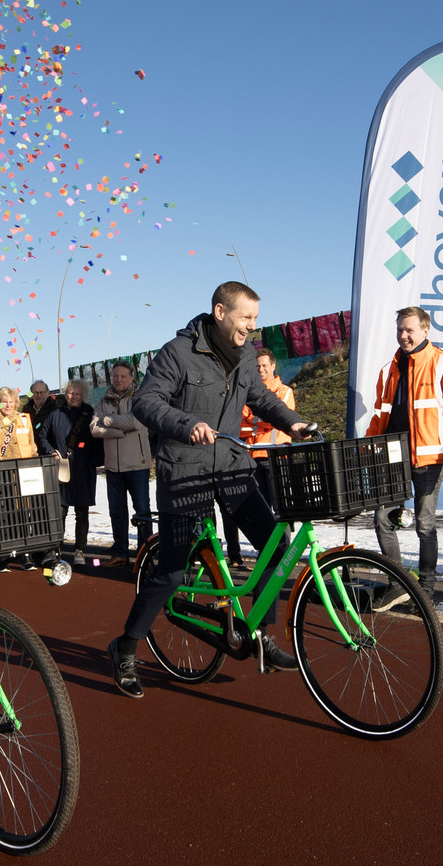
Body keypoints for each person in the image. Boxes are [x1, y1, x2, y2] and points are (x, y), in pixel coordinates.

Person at [107, 282, 310, 698]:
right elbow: (146, 402)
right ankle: (125, 646)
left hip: (232, 468)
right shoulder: (178, 352)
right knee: (172, 572)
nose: (252, 327)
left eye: (255, 319)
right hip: (184, 472)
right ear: (220, 312)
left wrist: (293, 422)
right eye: (245, 318)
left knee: (276, 543)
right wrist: (186, 425)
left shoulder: (247, 355)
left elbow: (260, 398)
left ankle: (261, 636)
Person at [366, 306, 443, 610]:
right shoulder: (389, 369)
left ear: (425, 331)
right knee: (382, 519)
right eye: (400, 329)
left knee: (425, 525)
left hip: (429, 460)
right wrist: (366, 449)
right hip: (392, 458)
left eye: (409, 330)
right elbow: (379, 416)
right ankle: (397, 584)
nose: (403, 335)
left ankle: (425, 589)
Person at [221, 348, 294, 564]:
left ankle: (283, 556)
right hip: (251, 457)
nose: (261, 370)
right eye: (257, 366)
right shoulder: (246, 394)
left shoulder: (284, 391)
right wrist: (255, 420)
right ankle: (266, 555)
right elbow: (239, 423)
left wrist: (252, 420)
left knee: (280, 512)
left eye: (264, 365)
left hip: (276, 458)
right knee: (262, 511)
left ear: (273, 366)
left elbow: (273, 418)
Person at [92, 362, 152, 569]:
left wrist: (107, 420)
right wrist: (118, 431)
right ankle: (120, 552)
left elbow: (136, 422)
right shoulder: (103, 399)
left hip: (137, 465)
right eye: (116, 376)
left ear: (132, 378)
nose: (119, 379)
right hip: (113, 468)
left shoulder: (140, 397)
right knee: (117, 511)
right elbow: (93, 428)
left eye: (123, 376)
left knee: (142, 511)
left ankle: (146, 554)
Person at [41, 381, 100, 565]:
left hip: (83, 471)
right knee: (59, 511)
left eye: (77, 393)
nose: (72, 396)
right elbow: (42, 436)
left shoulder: (91, 413)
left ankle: (79, 550)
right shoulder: (55, 414)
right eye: (69, 393)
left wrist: (93, 463)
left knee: (82, 512)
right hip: (61, 470)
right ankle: (55, 549)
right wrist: (50, 451)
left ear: (84, 395)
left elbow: (97, 442)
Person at [0, 386, 38, 460]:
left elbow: (32, 447)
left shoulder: (24, 419)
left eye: (11, 402)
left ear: (15, 404)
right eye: (4, 402)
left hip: (23, 466)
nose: (8, 406)